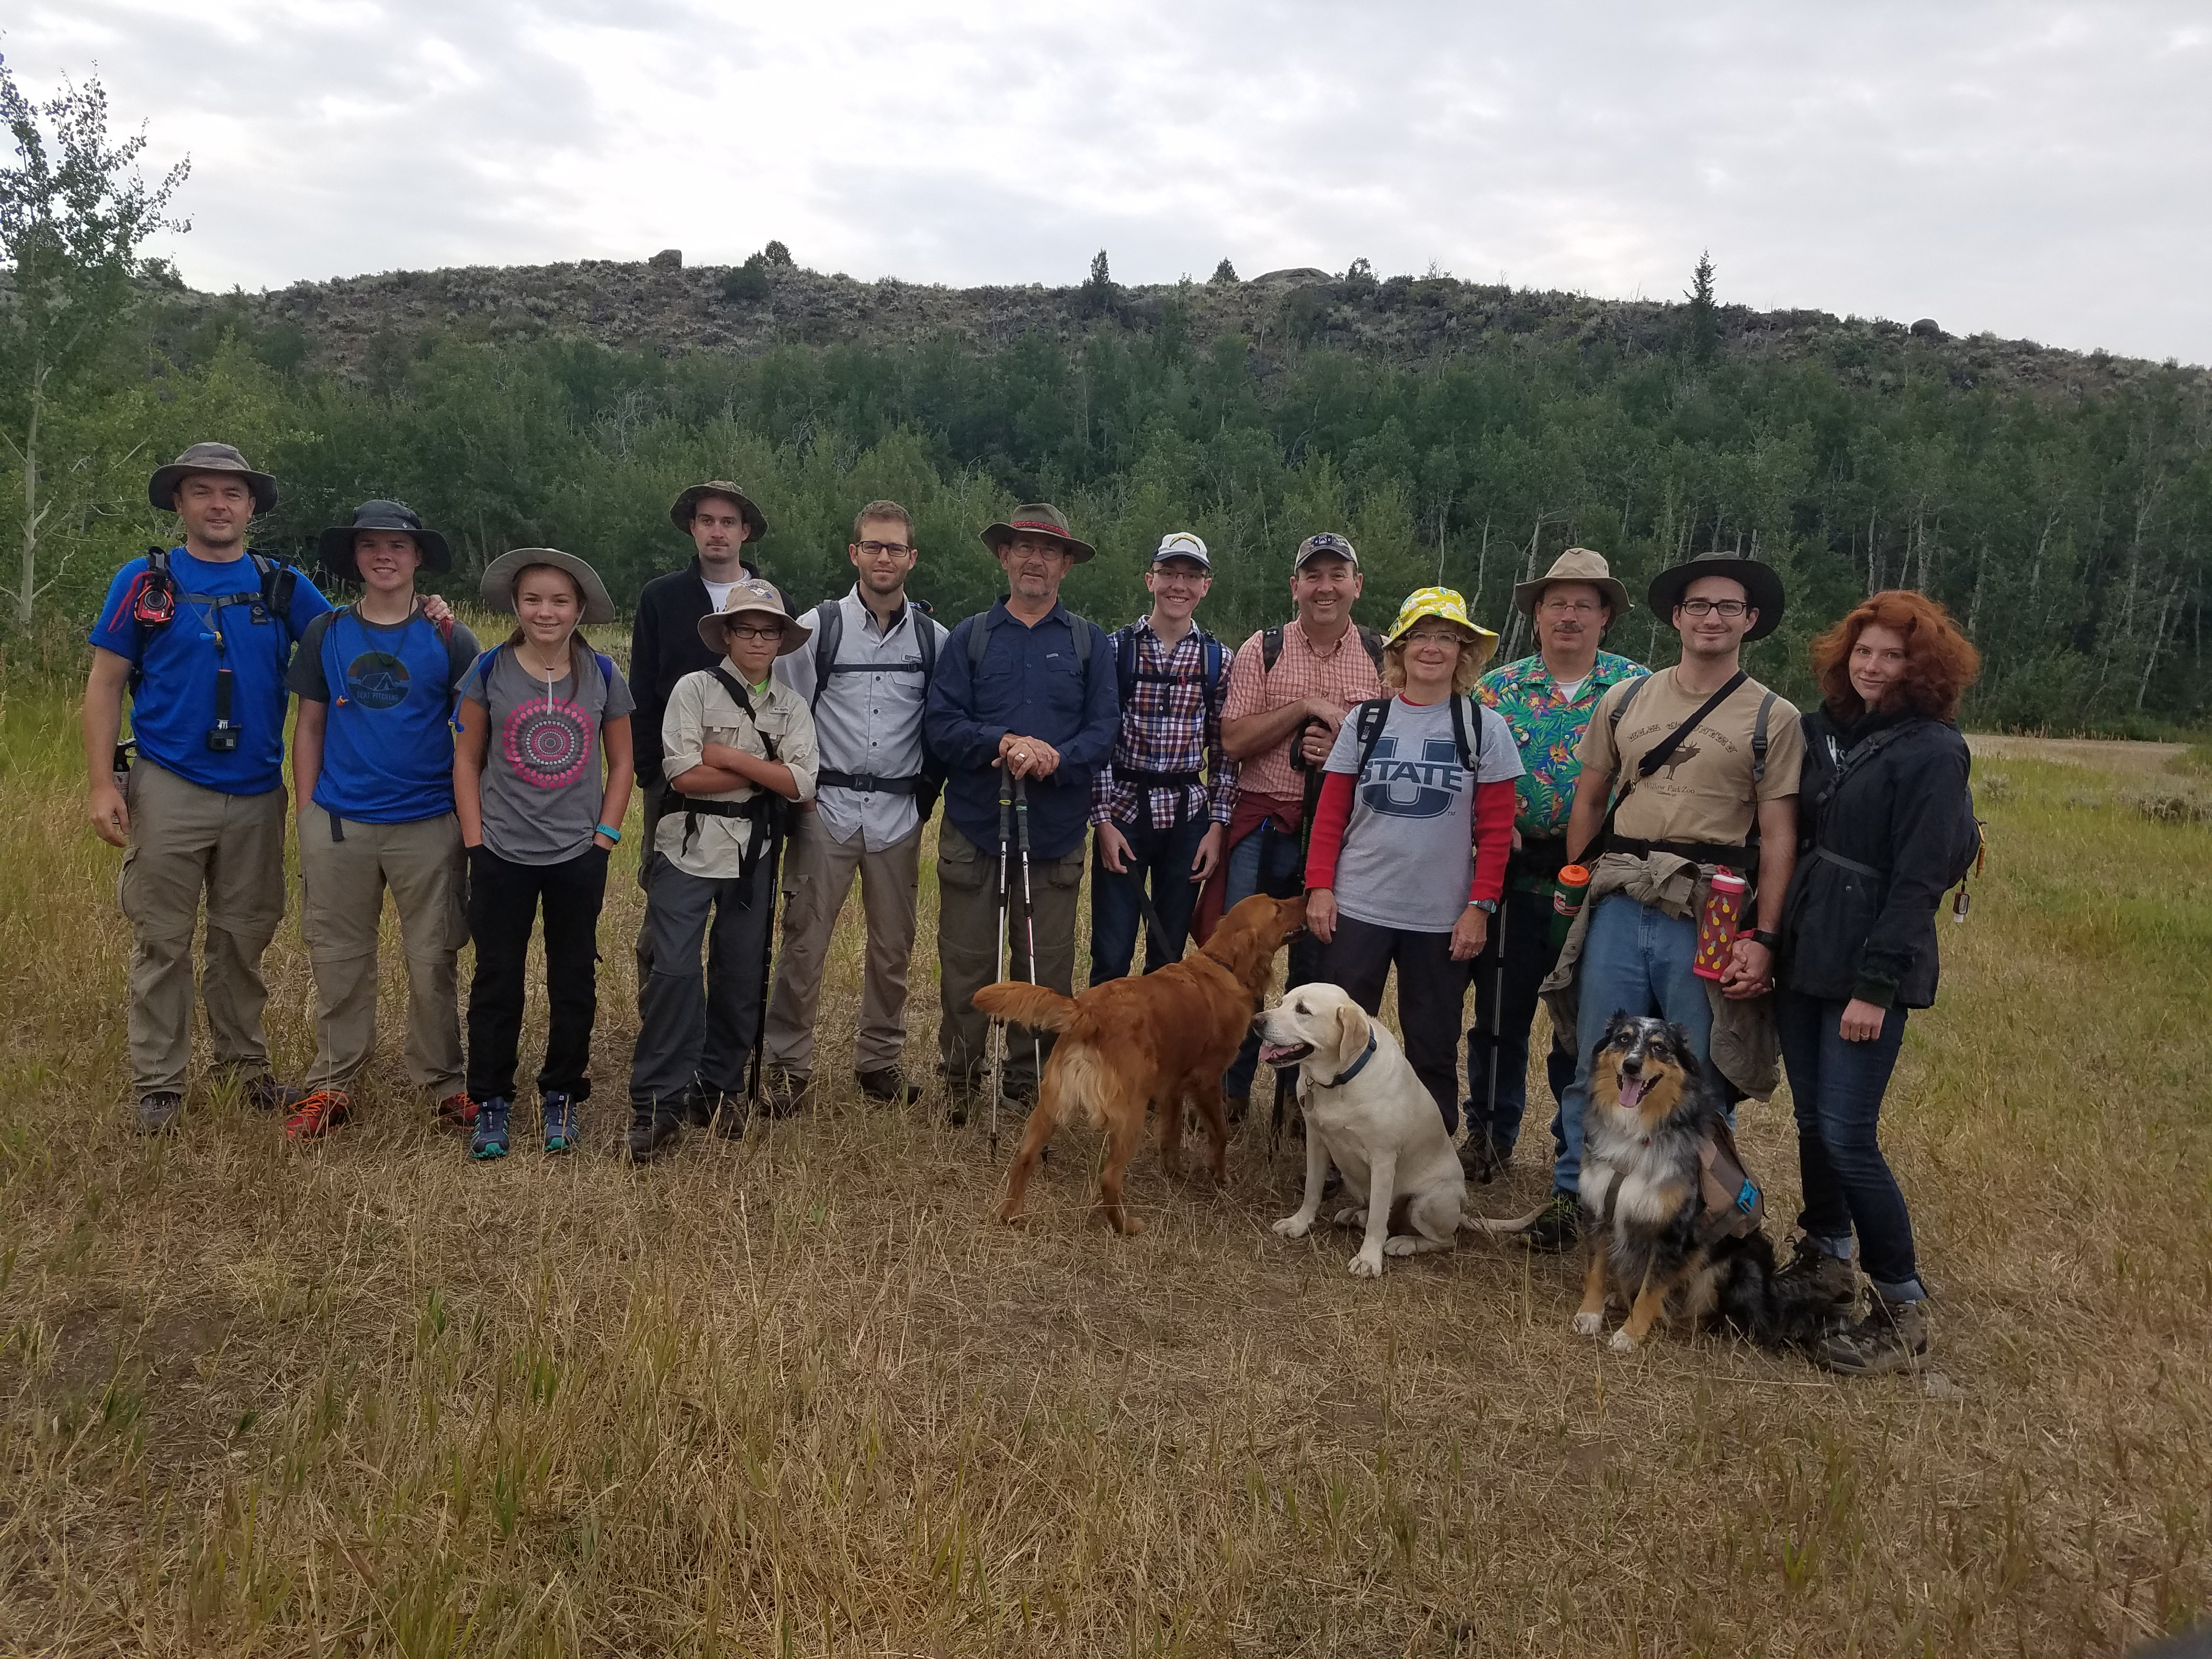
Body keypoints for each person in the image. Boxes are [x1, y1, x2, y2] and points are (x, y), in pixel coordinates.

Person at [1530, 549, 1806, 1251]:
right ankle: (1577, 1198)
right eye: (1699, 606)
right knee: (1598, 1055)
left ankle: (1695, 1215)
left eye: (1728, 608)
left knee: (1697, 1068)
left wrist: (1764, 937)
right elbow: (1591, 795)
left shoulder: (1773, 718)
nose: (1712, 618)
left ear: (1750, 621)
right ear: (1677, 618)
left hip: (1708, 911)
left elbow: (1778, 837)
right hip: (1621, 898)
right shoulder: (1625, 701)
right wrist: (1580, 883)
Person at [84, 443, 331, 1133]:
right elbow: (105, 684)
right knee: (162, 938)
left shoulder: (282, 585)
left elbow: (349, 646)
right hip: (168, 784)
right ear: (178, 503)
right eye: (202, 491)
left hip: (257, 789)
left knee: (242, 937)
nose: (218, 505)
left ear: (252, 508)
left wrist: (430, 618)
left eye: (232, 494)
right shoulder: (144, 581)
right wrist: (102, 784)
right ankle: (159, 1084)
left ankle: (243, 1070)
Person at [1775, 590, 1979, 1375]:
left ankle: (1901, 1306)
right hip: (1807, 953)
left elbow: (1920, 878)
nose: (1872, 666)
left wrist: (1877, 986)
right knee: (1812, 1125)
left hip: (1867, 965)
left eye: (1891, 656)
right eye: (1863, 652)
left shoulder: (1933, 751)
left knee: (1851, 1137)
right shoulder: (1826, 733)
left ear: (1921, 667)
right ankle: (1827, 1258)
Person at [283, 500, 480, 1141]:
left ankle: (444, 1083)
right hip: (340, 824)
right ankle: (333, 1084)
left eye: (398, 545)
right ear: (356, 559)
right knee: (339, 958)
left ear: (418, 556)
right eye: (371, 546)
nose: (385, 556)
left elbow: (473, 733)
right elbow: (309, 725)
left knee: (432, 959)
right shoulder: (327, 634)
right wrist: (311, 811)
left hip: (427, 822)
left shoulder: (450, 636)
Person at [1302, 588, 1521, 1129]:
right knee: (1339, 1044)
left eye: (1445, 637)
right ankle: (1338, 1157)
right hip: (1358, 907)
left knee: (1431, 1046)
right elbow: (1330, 814)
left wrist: (1481, 907)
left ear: (1463, 652)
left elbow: (1497, 832)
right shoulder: (1367, 723)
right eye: (1419, 636)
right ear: (1399, 650)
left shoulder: (1484, 729)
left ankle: (1429, 1165)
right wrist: (1320, 888)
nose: (1431, 648)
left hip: (1441, 918)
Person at [924, 503, 1118, 1114]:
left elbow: (1105, 730)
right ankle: (960, 1079)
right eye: (1023, 547)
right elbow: (941, 723)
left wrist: (1056, 757)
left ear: (1066, 565)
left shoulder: (1089, 643)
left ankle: (1026, 1085)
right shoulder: (969, 637)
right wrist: (1000, 743)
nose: (1035, 559)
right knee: (966, 963)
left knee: (1044, 969)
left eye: (1049, 550)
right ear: (1004, 557)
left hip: (1055, 834)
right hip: (977, 827)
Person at [1462, 549, 1647, 1180]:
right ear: (1537, 615)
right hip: (1511, 879)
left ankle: (1579, 1154)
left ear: (1605, 618)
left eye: (1584, 605)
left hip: (1599, 887)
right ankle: (1489, 1136)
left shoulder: (1638, 690)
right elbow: (1464, 774)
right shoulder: (1495, 690)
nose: (1569, 616)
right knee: (1498, 1019)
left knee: (1585, 1028)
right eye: (1557, 604)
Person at [759, 501, 947, 1113]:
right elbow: (784, 715)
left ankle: (881, 1062)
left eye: (895, 548)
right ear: (854, 554)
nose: (884, 558)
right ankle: (787, 1066)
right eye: (873, 546)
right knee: (804, 944)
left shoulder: (934, 639)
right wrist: (801, 800)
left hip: (898, 816)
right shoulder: (817, 628)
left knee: (894, 948)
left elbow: (942, 726)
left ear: (912, 559)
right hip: (827, 811)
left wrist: (924, 801)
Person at [454, 548, 635, 1161]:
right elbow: (467, 759)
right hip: (502, 849)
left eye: (559, 600)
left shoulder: (604, 674)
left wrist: (604, 839)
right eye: (533, 599)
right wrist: (476, 841)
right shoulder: (488, 671)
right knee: (497, 978)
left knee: (573, 978)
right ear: (515, 604)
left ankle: (562, 1092)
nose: (546, 611)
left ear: (580, 608)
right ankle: (492, 1101)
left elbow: (624, 764)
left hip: (575, 854)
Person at [628, 580, 819, 1159]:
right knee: (675, 973)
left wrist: (732, 757)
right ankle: (658, 1100)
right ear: (727, 634)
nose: (758, 640)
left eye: (769, 631)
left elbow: (804, 785)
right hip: (685, 848)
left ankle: (720, 1088)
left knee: (740, 979)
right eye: (746, 629)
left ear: (782, 640)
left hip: (752, 856)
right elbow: (684, 774)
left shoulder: (791, 705)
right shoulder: (693, 689)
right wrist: (768, 770)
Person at [1210, 532, 1385, 1120]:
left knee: (1319, 972)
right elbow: (1232, 741)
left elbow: (1392, 753)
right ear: (1295, 587)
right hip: (1260, 829)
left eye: (1338, 575)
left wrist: (1340, 746)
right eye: (1314, 575)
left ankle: (1300, 1102)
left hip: (1338, 838)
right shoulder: (1262, 648)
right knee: (1241, 965)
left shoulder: (1384, 657)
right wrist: (1304, 709)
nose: (1326, 587)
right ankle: (1230, 1092)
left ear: (1357, 585)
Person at [629, 481, 769, 999]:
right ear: (692, 527)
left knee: (740, 918)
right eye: (707, 520)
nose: (717, 531)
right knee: (668, 909)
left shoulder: (770, 603)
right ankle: (662, 1019)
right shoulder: (662, 598)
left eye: (728, 522)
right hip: (675, 781)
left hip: (752, 785)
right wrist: (652, 772)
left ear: (745, 532)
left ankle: (724, 1041)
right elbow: (640, 690)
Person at [1088, 531, 1236, 984]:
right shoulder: (1114, 650)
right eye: (1169, 573)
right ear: (1149, 580)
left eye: (1191, 576)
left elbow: (1224, 750)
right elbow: (1097, 740)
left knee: (1169, 956)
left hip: (1189, 816)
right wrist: (1103, 822)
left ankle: (1163, 1049)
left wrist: (1217, 826)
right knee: (1111, 952)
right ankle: (1105, 1049)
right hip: (1125, 811)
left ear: (1205, 587)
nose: (1179, 585)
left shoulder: (1217, 659)